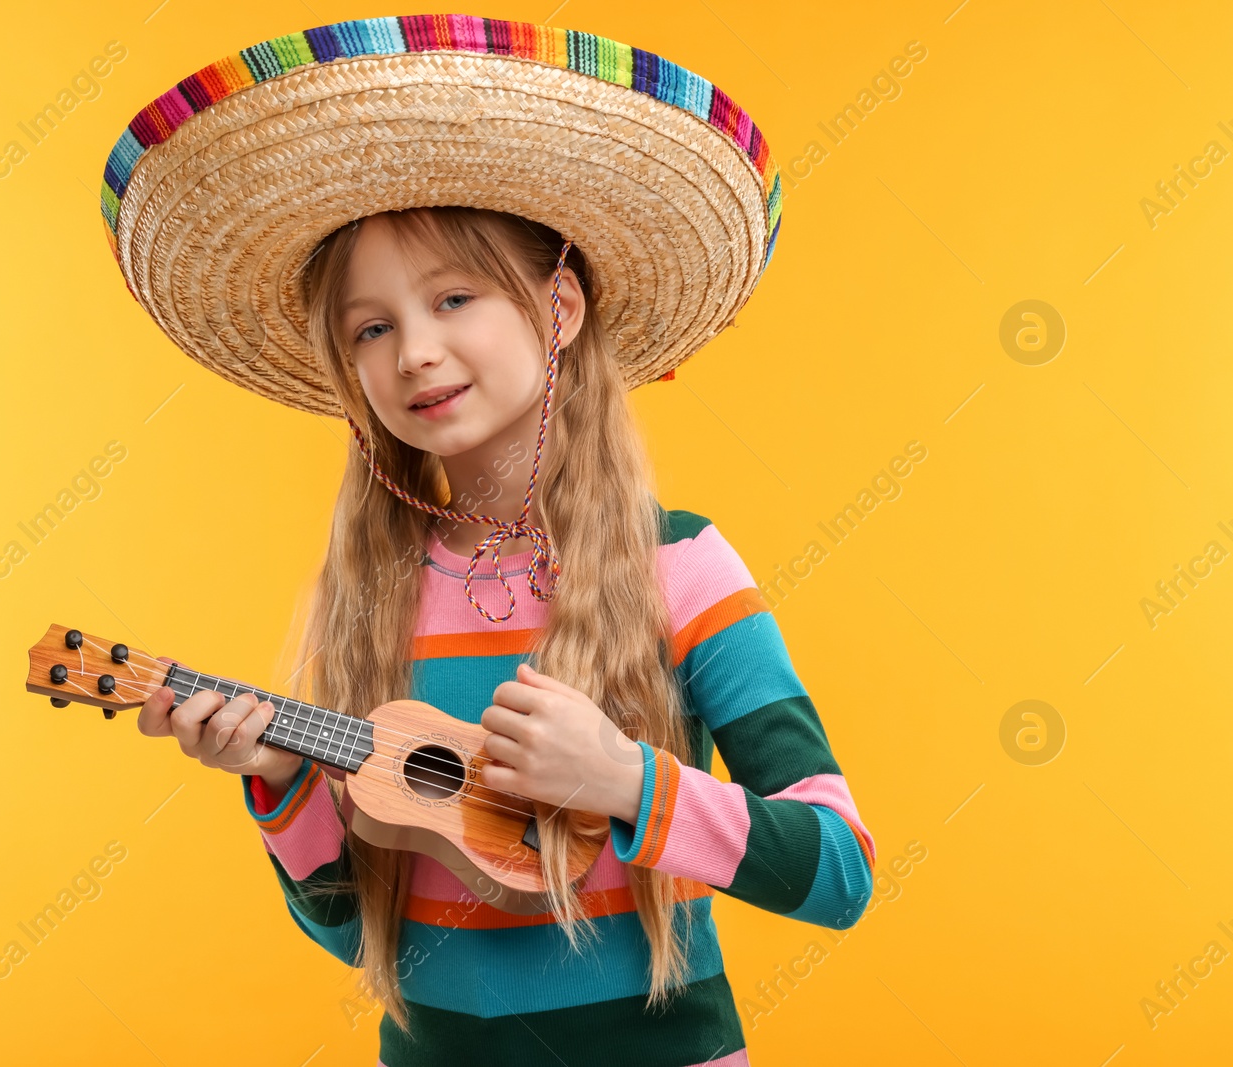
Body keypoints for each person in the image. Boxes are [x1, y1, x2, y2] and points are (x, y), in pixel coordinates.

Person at [108, 14, 875, 1065]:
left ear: (557, 308)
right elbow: (353, 928)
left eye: (453, 297)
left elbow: (839, 871)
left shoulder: (681, 566)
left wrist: (625, 780)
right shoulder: (371, 592)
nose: (414, 353)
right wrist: (279, 780)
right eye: (369, 328)